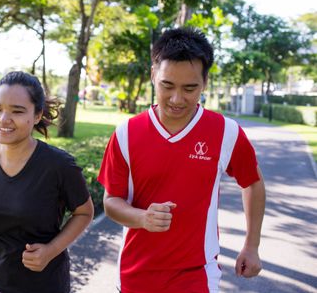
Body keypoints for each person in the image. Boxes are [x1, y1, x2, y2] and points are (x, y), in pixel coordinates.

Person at [98, 27, 266, 293]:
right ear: (153, 75)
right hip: (135, 275)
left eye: (190, 88)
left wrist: (252, 245)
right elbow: (111, 203)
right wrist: (142, 218)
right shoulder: (126, 134)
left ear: (205, 82)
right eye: (167, 85)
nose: (177, 99)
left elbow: (253, 183)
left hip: (197, 275)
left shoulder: (226, 132)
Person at [0, 71, 94, 293]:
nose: (3, 119)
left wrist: (50, 250)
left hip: (45, 285)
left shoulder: (59, 165)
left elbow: (84, 212)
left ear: (37, 115)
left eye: (17, 111)